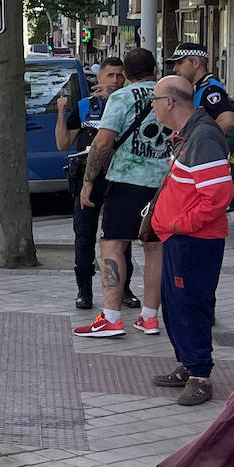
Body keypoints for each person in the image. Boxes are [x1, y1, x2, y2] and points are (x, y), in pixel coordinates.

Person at [147, 75, 232, 406]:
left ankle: (200, 375)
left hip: (194, 240)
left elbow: (217, 195)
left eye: (154, 101)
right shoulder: (189, 134)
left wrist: (181, 224)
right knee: (176, 304)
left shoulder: (203, 137)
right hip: (179, 237)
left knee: (190, 303)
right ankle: (188, 363)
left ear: (169, 102)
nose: (152, 107)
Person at [74, 48, 169, 339]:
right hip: (164, 182)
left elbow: (102, 143)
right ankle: (150, 318)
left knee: (113, 244)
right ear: (155, 70)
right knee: (154, 249)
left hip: (128, 179)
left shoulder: (121, 97)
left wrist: (88, 181)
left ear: (126, 74)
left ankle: (112, 317)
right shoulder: (170, 94)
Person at [55, 56, 139, 311]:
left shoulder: (128, 104)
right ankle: (84, 291)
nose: (115, 80)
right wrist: (61, 110)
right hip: (87, 177)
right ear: (99, 78)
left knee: (120, 236)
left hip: (119, 177)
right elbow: (63, 142)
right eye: (110, 75)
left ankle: (124, 290)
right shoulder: (84, 106)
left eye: (120, 76)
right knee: (84, 234)